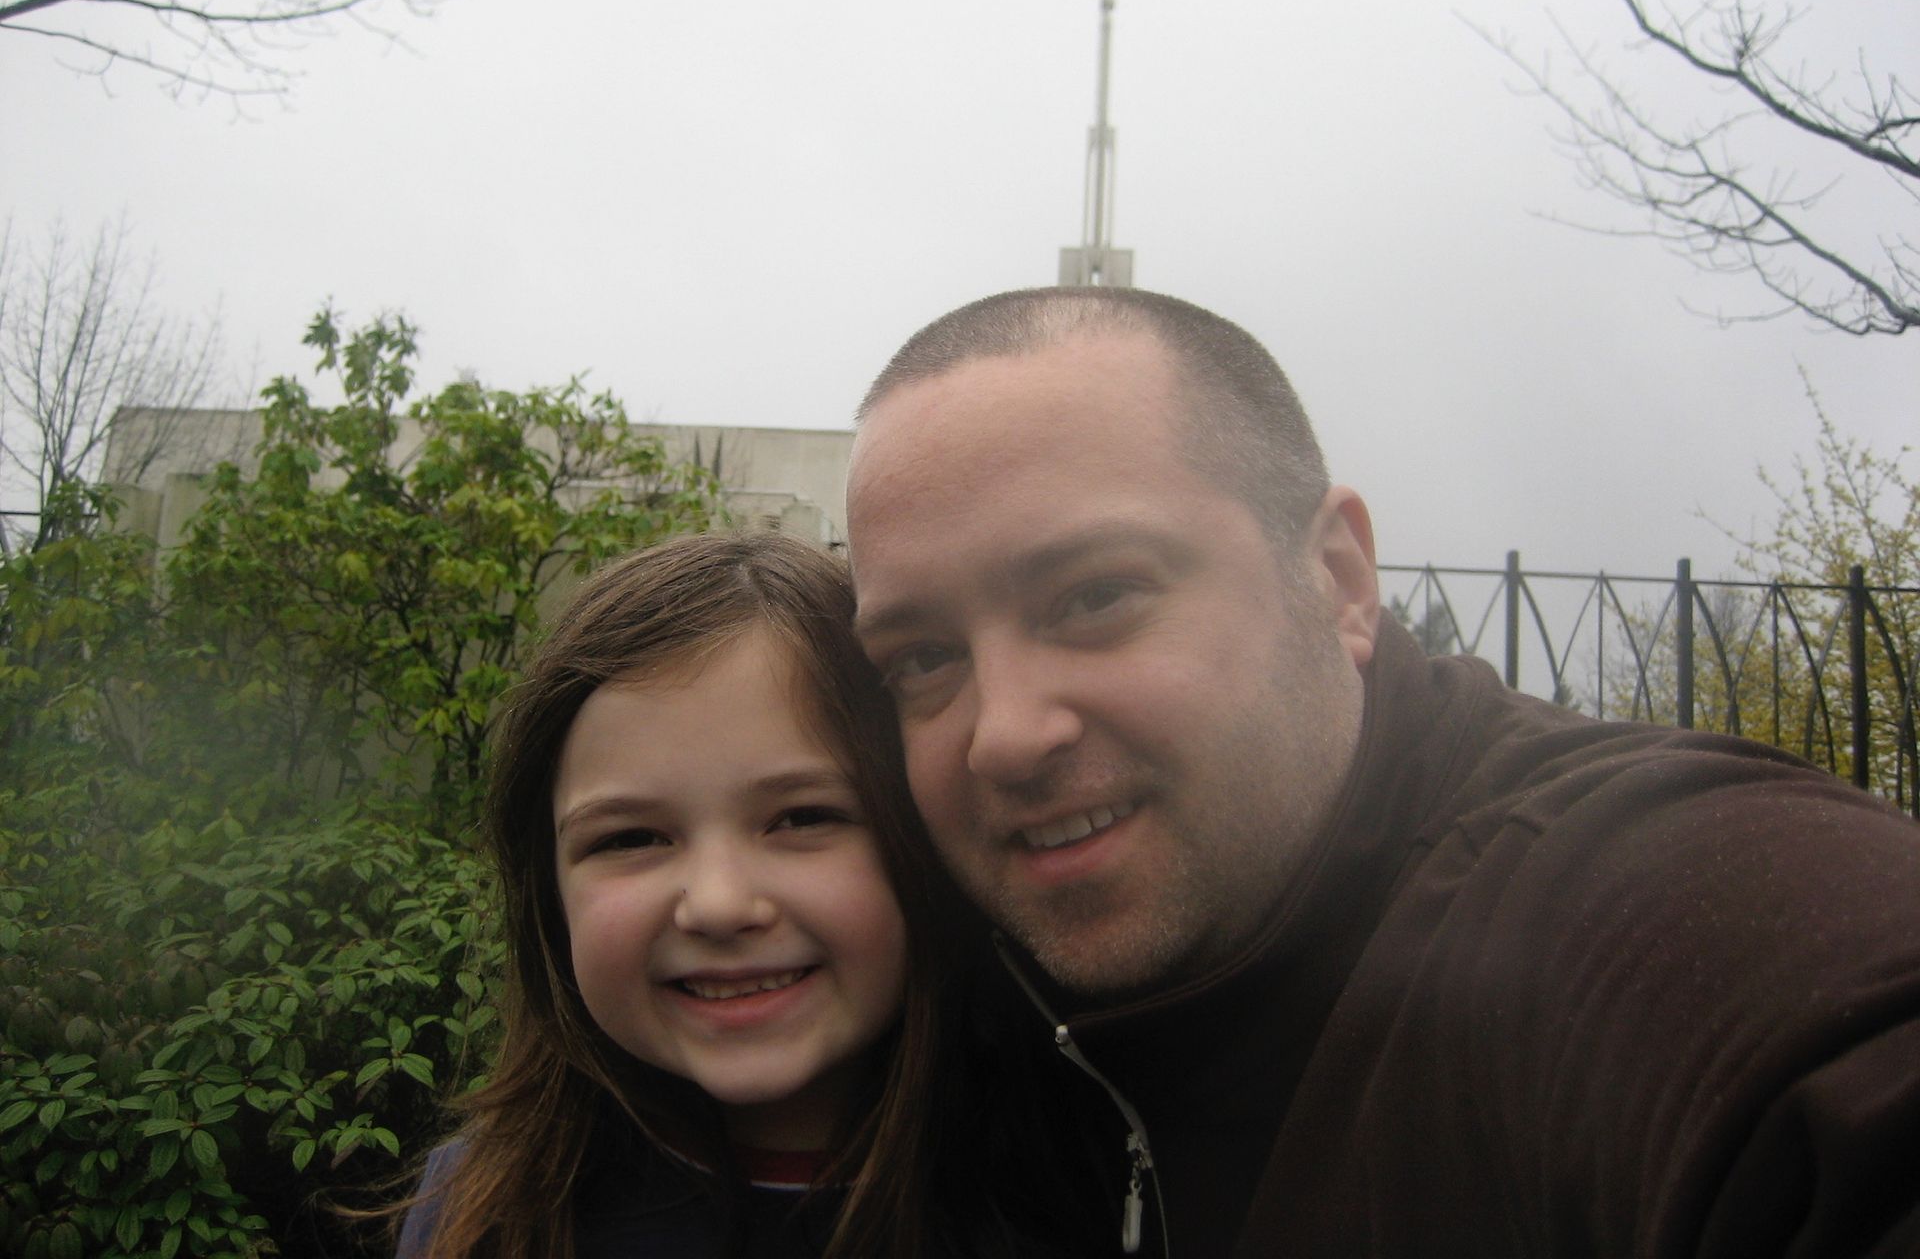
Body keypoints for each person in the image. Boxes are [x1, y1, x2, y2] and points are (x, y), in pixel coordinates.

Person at [844, 285, 1920, 1257]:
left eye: (1095, 597)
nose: (1003, 737)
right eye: (924, 659)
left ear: (1338, 578)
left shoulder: (1655, 901)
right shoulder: (915, 999)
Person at [395, 529, 1091, 1259]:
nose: (719, 905)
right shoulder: (481, 1211)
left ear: (920, 836)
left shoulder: (1084, 1181)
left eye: (803, 818)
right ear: (549, 892)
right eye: (631, 838)